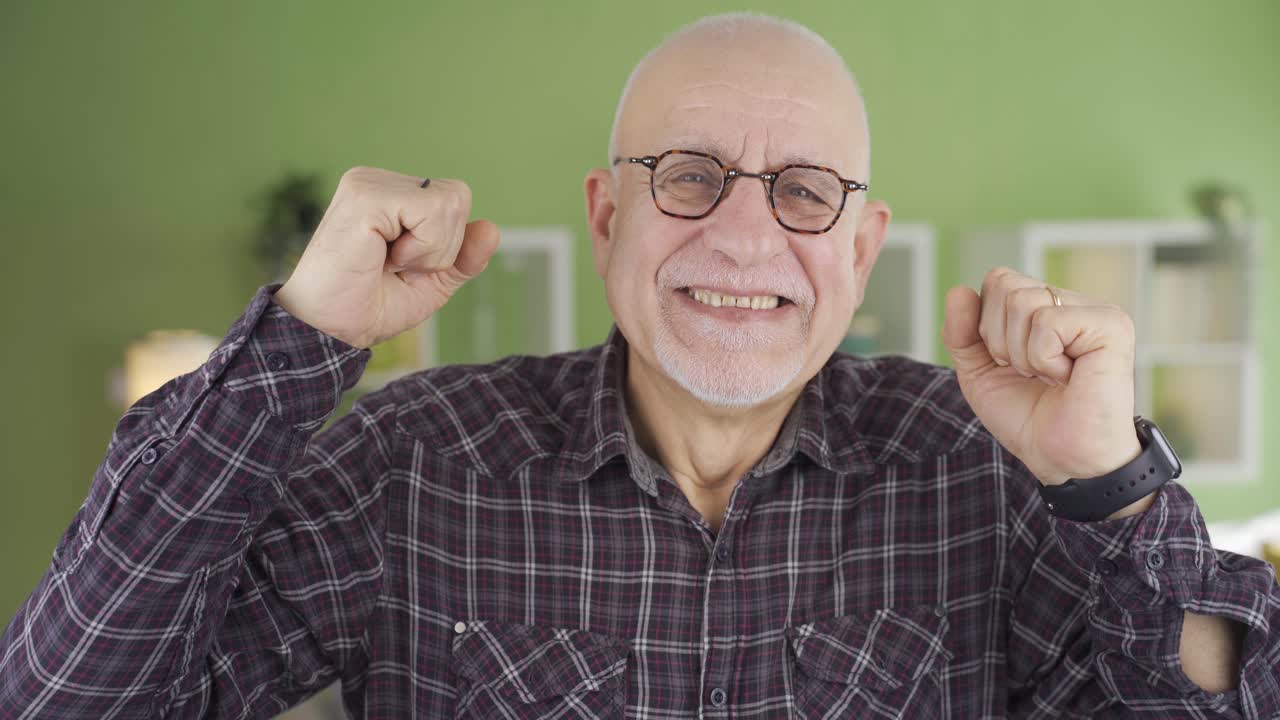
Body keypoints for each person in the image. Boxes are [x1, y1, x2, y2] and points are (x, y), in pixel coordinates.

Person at [1, 12, 1276, 719]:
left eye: (802, 190)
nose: (740, 232)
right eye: (686, 176)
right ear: (608, 217)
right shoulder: (414, 460)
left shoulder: (981, 469)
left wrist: (1110, 488)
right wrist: (300, 339)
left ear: (860, 244)